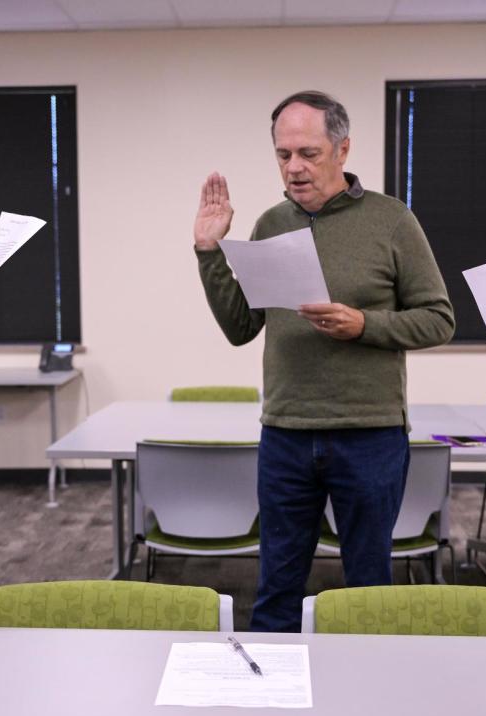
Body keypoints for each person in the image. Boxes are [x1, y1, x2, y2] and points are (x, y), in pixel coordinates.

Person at [192, 90, 455, 632]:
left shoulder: (391, 221)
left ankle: (366, 699)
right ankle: (274, 706)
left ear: (343, 149)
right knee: (276, 588)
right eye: (284, 155)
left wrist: (364, 325)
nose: (295, 167)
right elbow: (242, 328)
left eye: (308, 153)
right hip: (286, 433)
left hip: (369, 435)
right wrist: (208, 252)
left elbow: (438, 319)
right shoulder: (269, 224)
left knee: (367, 590)